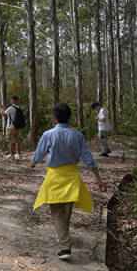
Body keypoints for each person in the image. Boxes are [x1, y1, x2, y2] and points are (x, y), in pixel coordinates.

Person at [31, 103, 106, 261]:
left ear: (55, 117)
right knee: (65, 213)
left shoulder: (48, 134)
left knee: (57, 213)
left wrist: (33, 162)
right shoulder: (77, 135)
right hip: (72, 178)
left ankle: (65, 246)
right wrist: (98, 179)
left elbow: (38, 154)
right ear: (69, 117)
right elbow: (88, 159)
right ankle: (65, 242)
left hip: (55, 178)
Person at [0, 96, 24, 160]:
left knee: (11, 141)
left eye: (11, 100)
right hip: (18, 127)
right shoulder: (19, 108)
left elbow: (3, 114)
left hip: (10, 127)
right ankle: (19, 154)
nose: (11, 101)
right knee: (18, 141)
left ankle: (12, 155)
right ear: (17, 100)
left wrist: (1, 109)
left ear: (13, 100)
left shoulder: (10, 108)